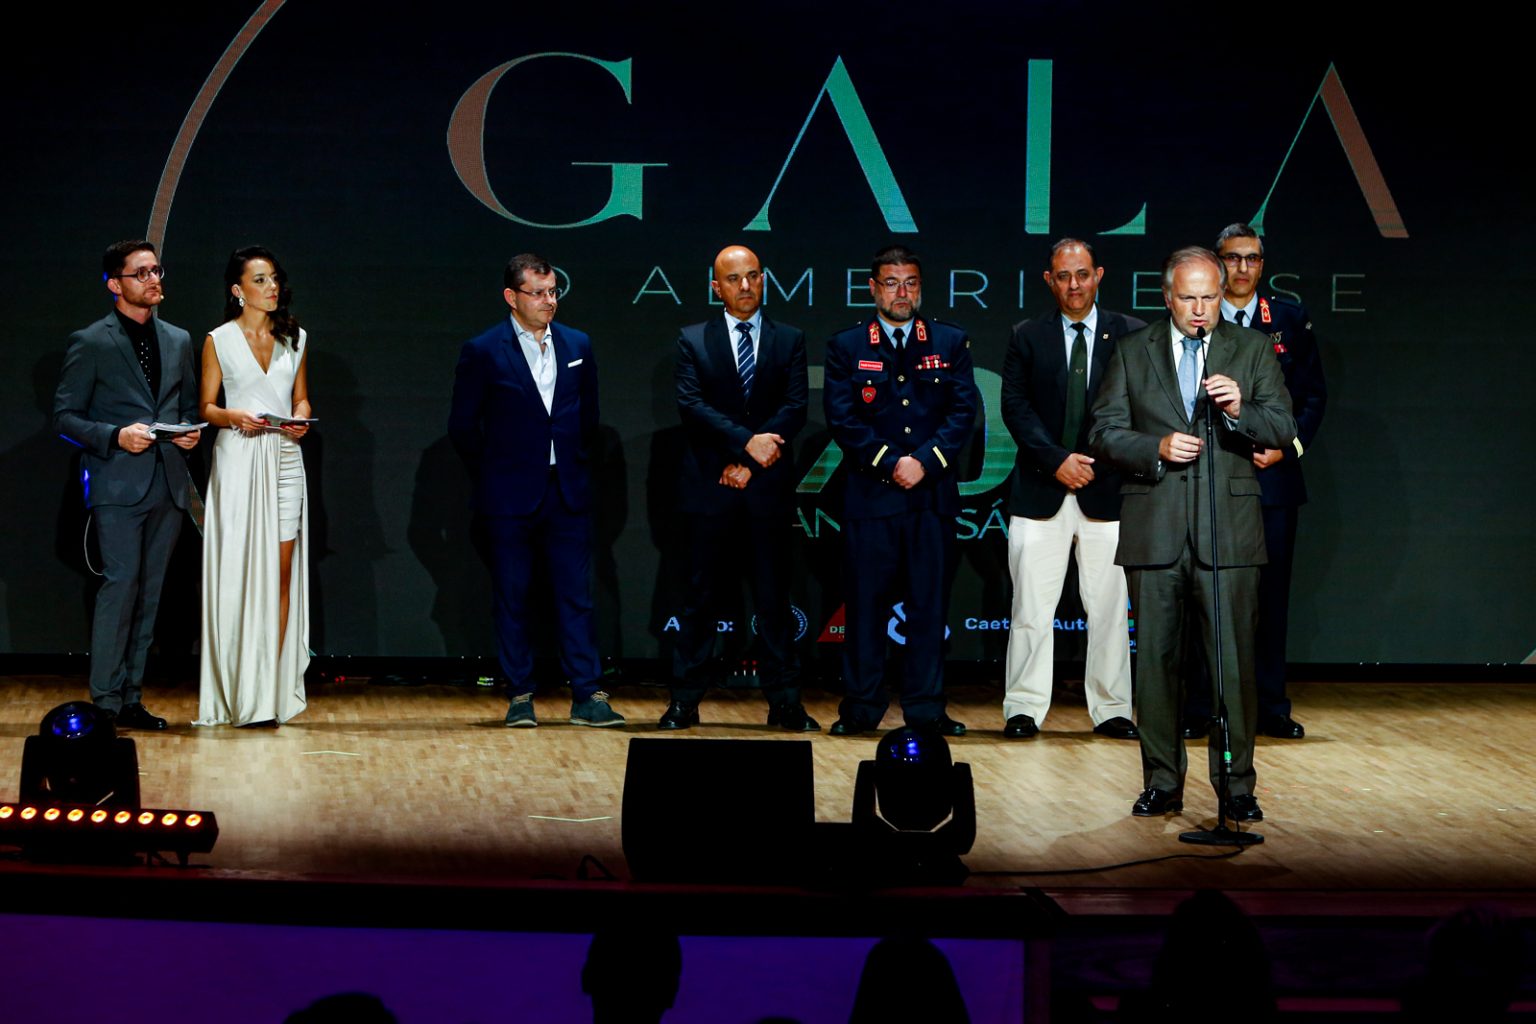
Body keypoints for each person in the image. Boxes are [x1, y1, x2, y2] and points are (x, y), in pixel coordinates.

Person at [1089, 247, 1295, 820]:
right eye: (1189, 298)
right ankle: (1162, 782)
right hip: (1155, 529)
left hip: (1228, 532)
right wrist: (1153, 447)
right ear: (1167, 297)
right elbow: (1103, 431)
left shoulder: (1251, 349)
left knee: (1233, 667)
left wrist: (1240, 409)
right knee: (1156, 667)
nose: (1201, 309)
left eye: (1210, 297)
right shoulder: (1132, 350)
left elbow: (1283, 426)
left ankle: (1237, 788)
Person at [448, 253, 625, 728]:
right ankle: (520, 694)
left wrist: (572, 463)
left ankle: (588, 695)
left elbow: (588, 415)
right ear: (512, 296)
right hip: (509, 495)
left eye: (553, 292)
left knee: (576, 596)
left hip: (566, 490)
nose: (549, 301)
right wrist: (494, 473)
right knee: (514, 595)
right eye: (538, 293)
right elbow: (463, 426)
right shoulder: (484, 350)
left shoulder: (578, 344)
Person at [823, 245, 977, 736]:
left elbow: (962, 413)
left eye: (910, 283)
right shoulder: (848, 345)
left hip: (930, 499)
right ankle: (861, 708)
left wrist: (924, 462)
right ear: (873, 288)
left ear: (920, 287)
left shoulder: (949, 340)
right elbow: (843, 419)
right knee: (864, 609)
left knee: (928, 609)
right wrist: (891, 463)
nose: (901, 293)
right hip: (872, 499)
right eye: (891, 283)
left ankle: (926, 709)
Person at [662, 245, 816, 731]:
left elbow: (794, 408)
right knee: (700, 599)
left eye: (752, 276)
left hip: (766, 489)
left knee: (774, 600)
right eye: (733, 279)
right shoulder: (692, 340)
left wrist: (749, 463)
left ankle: (785, 703)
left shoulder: (789, 339)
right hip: (711, 487)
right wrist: (745, 446)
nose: (745, 286)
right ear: (717, 287)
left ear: (763, 279)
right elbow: (693, 406)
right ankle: (684, 701)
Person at [1182, 224, 1327, 741]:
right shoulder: (1198, 316)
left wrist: (1287, 447)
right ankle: (1202, 706)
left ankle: (1269, 706)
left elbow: (1311, 397)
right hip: (1212, 478)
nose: (1242, 268)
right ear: (1217, 263)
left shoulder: (1286, 318)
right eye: (1232, 258)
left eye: (1252, 259)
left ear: (1263, 265)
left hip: (1272, 481)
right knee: (1205, 594)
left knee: (1269, 600)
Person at [53, 240, 201, 730]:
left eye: (157, 270)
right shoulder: (92, 342)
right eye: (142, 273)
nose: (154, 279)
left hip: (167, 483)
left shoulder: (177, 339)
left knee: (150, 594)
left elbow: (184, 406)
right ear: (115, 284)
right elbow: (65, 417)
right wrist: (116, 435)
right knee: (120, 588)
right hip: (118, 484)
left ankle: (131, 697)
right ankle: (105, 701)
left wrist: (188, 431)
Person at [999, 239, 1143, 741]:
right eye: (1063, 276)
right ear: (1049, 280)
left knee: (1110, 610)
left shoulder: (1131, 334)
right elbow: (1015, 408)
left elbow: (1136, 410)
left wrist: (1094, 461)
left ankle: (1112, 709)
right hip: (1041, 490)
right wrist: (1057, 460)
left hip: (1108, 490)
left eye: (1082, 274)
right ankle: (1023, 708)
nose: (1074, 285)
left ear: (1098, 275)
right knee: (1030, 610)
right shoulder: (1026, 335)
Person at [195, 246, 311, 727]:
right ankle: (241, 686)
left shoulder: (295, 338)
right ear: (237, 290)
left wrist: (299, 419)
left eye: (274, 278)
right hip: (239, 457)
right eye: (260, 280)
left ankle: (269, 690)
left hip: (284, 458)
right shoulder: (218, 340)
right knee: (240, 572)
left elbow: (301, 399)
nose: (271, 287)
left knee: (280, 574)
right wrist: (234, 416)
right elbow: (206, 407)